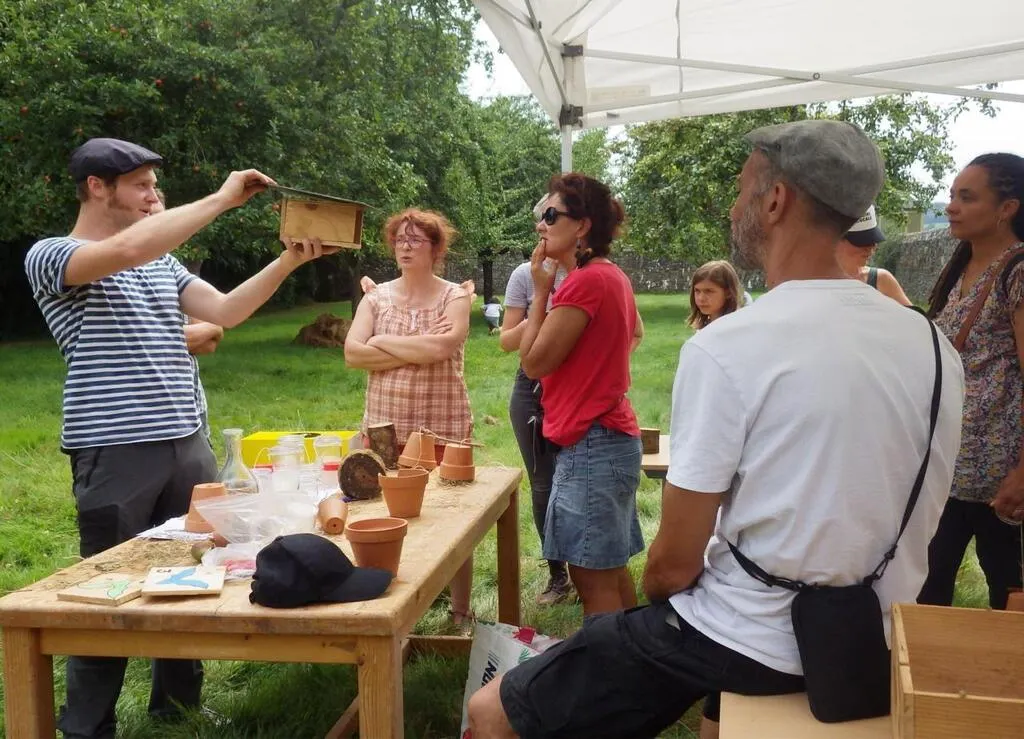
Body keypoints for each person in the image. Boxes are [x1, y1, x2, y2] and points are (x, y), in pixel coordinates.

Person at [467, 120, 965, 739]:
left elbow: (672, 568)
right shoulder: (935, 345)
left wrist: (657, 597)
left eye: (740, 188)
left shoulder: (729, 345)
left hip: (745, 637)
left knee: (492, 712)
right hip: (875, 636)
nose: (733, 207)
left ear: (775, 200)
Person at [23, 137, 336, 739]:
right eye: (140, 185)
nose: (153, 195)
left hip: (187, 441)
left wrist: (290, 260)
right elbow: (127, 248)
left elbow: (226, 311)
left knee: (193, 571)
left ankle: (176, 711)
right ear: (97, 187)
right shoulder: (51, 255)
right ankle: (86, 727)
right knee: (107, 587)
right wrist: (220, 199)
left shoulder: (160, 263)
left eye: (154, 185)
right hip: (116, 450)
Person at [512, 173, 643, 618]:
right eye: (541, 215)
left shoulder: (585, 282)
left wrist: (541, 293)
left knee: (593, 580)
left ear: (582, 225)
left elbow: (532, 362)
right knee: (612, 570)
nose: (540, 224)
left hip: (592, 443)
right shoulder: (610, 275)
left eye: (551, 215)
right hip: (607, 437)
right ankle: (632, 657)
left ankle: (604, 664)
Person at [344, 207, 475, 627]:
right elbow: (353, 353)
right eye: (400, 239)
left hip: (443, 426)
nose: (405, 246)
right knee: (385, 520)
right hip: (385, 429)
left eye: (416, 239)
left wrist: (381, 342)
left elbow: (443, 347)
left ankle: (460, 612)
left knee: (453, 518)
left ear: (436, 248)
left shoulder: (454, 297)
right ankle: (389, 611)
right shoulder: (376, 298)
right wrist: (416, 347)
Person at [918, 153, 1024, 610]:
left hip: (1001, 476)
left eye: (967, 197)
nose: (951, 206)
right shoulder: (960, 268)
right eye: (951, 195)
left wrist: (1023, 473)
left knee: (1008, 595)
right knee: (926, 584)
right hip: (950, 466)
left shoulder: (1018, 272)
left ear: (1007, 209)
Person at [500, 252, 574, 607]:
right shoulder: (523, 275)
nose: (543, 231)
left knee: (578, 481)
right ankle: (559, 576)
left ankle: (590, 572)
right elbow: (506, 341)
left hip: (578, 387)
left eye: (551, 225)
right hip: (532, 387)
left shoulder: (592, 273)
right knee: (543, 484)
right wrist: (541, 312)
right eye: (542, 227)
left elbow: (633, 332)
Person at [152, 189, 223, 445]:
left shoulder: (169, 266)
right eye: (148, 218)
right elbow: (133, 343)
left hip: (192, 408)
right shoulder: (108, 272)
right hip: (145, 423)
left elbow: (212, 336)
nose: (157, 227)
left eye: (161, 218)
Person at [836, 204, 912, 305]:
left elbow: (913, 315)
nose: (871, 248)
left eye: (873, 240)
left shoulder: (882, 280)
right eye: (861, 241)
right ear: (836, 239)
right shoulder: (816, 282)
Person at [688, 260, 744, 329]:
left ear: (728, 293)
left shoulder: (735, 329)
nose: (701, 298)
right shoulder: (706, 327)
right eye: (697, 290)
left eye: (709, 291)